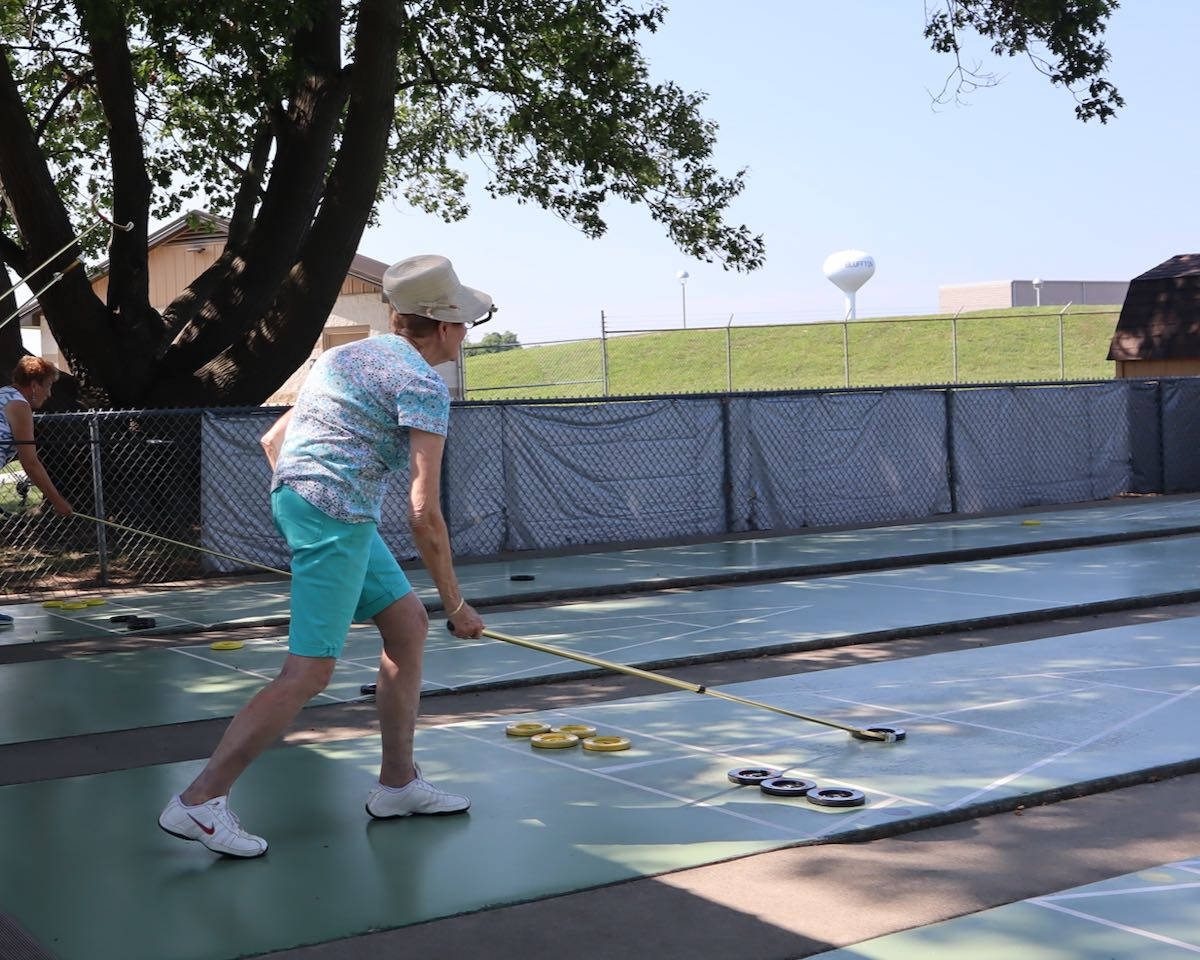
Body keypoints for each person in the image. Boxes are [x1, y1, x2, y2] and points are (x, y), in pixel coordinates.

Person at [159, 255, 490, 856]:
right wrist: (458, 604)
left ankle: (397, 785)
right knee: (309, 671)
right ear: (443, 327)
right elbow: (424, 513)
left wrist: (304, 503)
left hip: (313, 503)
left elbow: (274, 439)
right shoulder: (421, 385)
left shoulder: (346, 357)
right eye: (465, 322)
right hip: (335, 516)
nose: (467, 333)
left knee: (406, 626)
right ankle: (199, 801)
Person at [1, 357, 73, 627]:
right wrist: (58, 502)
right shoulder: (19, 406)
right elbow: (30, 462)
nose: (49, 393)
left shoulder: (3, 396)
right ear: (33, 386)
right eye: (47, 387)